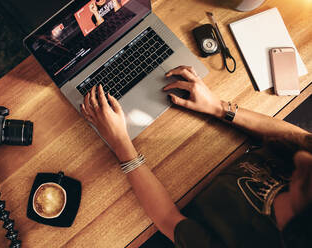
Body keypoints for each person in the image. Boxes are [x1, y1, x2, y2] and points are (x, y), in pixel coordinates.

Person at [80, 65, 312, 248]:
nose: (302, 159)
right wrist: (219, 107)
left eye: (305, 182)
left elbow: (167, 220)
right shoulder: (307, 159)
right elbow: (294, 137)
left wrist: (120, 142)